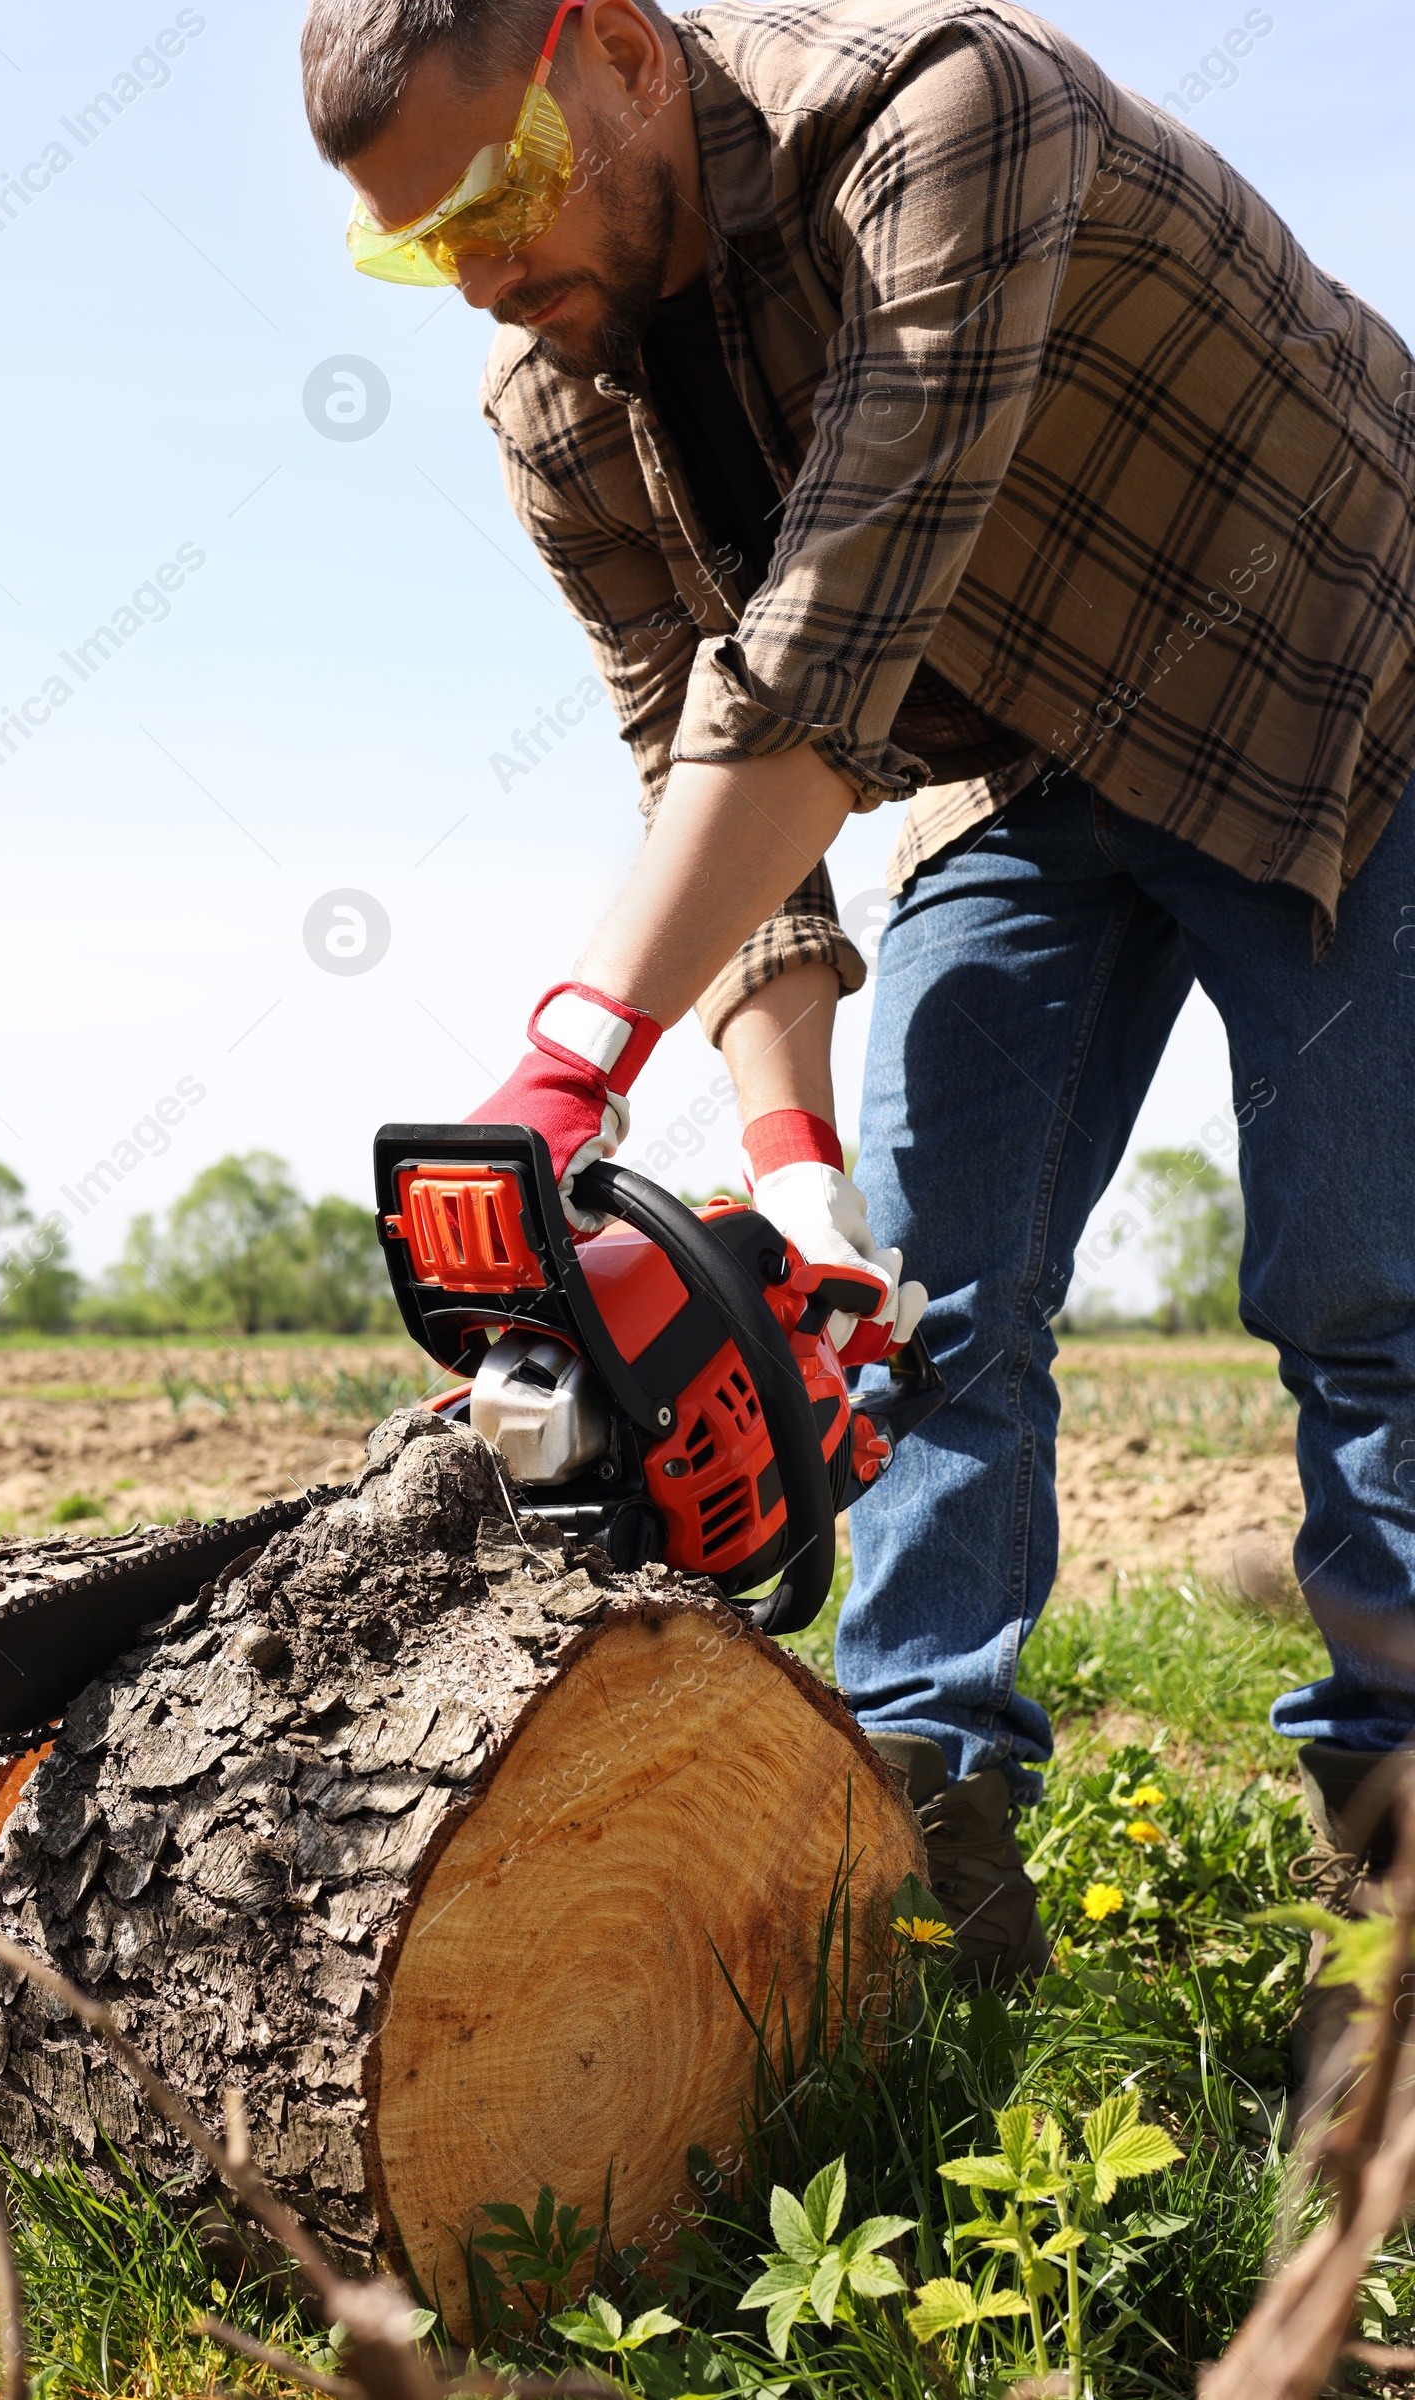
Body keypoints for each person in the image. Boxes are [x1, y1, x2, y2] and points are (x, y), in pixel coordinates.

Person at [300, 0, 1415, 1982]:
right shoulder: (558, 402)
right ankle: (925, 1832)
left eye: (509, 190)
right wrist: (789, 1160)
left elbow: (822, 650)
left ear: (626, 54)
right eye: (423, 242)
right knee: (913, 1307)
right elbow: (693, 783)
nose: (484, 271)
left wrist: (575, 1060)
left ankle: (1390, 1844)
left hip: (1328, 662)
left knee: (1358, 1287)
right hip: (1008, 748)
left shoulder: (936, 113)